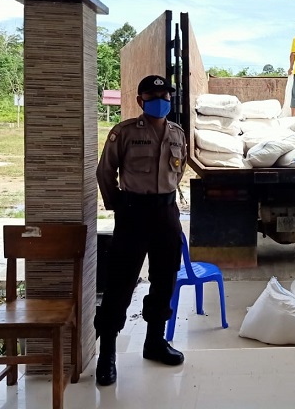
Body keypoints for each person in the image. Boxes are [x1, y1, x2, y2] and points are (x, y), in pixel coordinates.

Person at [94, 74, 187, 386]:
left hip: (167, 213)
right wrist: (118, 204)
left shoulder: (177, 133)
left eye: (165, 96)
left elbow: (179, 171)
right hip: (133, 213)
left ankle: (155, 342)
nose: (160, 101)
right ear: (140, 101)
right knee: (120, 282)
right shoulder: (124, 132)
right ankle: (107, 354)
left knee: (165, 279)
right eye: (152, 97)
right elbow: (105, 171)